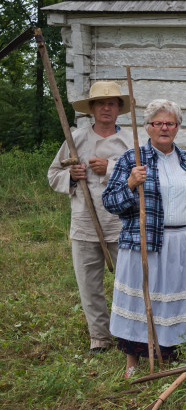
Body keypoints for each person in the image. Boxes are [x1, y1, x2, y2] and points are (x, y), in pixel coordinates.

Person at [102, 99, 186, 377]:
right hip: (145, 243)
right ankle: (133, 364)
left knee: (175, 301)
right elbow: (111, 202)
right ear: (148, 127)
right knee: (142, 300)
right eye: (157, 123)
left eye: (170, 123)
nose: (164, 128)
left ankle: (171, 358)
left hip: (183, 242)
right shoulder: (132, 159)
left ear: (177, 127)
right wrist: (130, 184)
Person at [47, 81, 133, 353]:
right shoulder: (75, 139)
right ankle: (100, 338)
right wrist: (71, 176)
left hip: (122, 224)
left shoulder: (131, 142)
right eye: (100, 103)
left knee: (128, 284)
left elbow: (144, 176)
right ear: (92, 108)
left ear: (119, 108)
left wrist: (111, 168)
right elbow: (53, 175)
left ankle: (129, 335)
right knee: (89, 284)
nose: (106, 108)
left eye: (112, 103)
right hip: (85, 222)